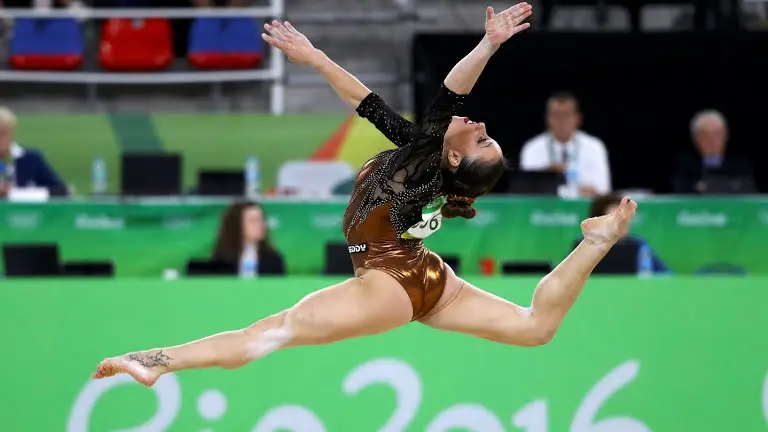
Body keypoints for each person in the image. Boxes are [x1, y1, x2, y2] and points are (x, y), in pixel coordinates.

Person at [92, 4, 638, 387]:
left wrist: (489, 44)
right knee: (534, 327)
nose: (481, 123)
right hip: (427, 276)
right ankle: (593, 245)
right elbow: (367, 103)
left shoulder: (426, 157)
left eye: (481, 137)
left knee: (272, 333)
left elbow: (452, 89)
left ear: (452, 157)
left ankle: (156, 360)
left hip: (391, 279)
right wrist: (315, 58)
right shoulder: (417, 157)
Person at [519, 92, 611, 197]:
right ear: (547, 118)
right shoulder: (532, 149)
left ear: (578, 118)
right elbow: (526, 191)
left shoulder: (595, 147)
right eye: (556, 115)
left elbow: (604, 191)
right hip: (545, 209)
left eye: (566, 115)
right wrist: (548, 176)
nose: (561, 121)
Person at [579, 193, 668, 273]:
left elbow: (665, 277)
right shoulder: (582, 248)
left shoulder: (638, 247)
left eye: (624, 219)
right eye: (615, 220)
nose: (622, 224)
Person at [673, 109, 753, 194]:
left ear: (725, 136)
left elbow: (748, 194)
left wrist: (705, 186)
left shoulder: (741, 166)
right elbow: (681, 195)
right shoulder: (685, 167)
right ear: (696, 139)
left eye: (717, 134)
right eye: (706, 135)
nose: (712, 141)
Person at [0, 107, 67, 197]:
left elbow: (61, 191)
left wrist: (15, 193)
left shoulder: (31, 159)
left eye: (3, 134)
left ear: (12, 133)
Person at [212, 201, 285, 276]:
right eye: (253, 221)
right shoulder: (221, 257)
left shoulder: (274, 259)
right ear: (237, 224)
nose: (261, 225)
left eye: (261, 220)